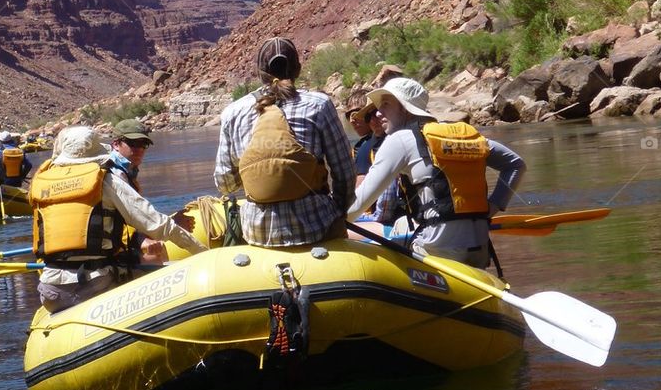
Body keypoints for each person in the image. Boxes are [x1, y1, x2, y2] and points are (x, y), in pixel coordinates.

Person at [347, 77, 525, 269]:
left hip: (435, 251)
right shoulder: (463, 136)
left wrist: (329, 225)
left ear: (405, 108)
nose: (379, 114)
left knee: (350, 231)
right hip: (479, 251)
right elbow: (515, 164)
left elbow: (356, 205)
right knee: (401, 223)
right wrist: (494, 205)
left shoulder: (399, 139)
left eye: (386, 105)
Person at [30, 121, 206, 312]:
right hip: (96, 285)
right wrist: (204, 254)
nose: (139, 149)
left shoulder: (42, 185)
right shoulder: (107, 181)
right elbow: (159, 225)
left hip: (50, 291)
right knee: (154, 267)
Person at [214, 36, 355, 248]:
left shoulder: (233, 113)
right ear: (297, 70)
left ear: (259, 73)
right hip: (318, 227)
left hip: (257, 235)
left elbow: (225, 184)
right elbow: (344, 173)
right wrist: (339, 211)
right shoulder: (319, 105)